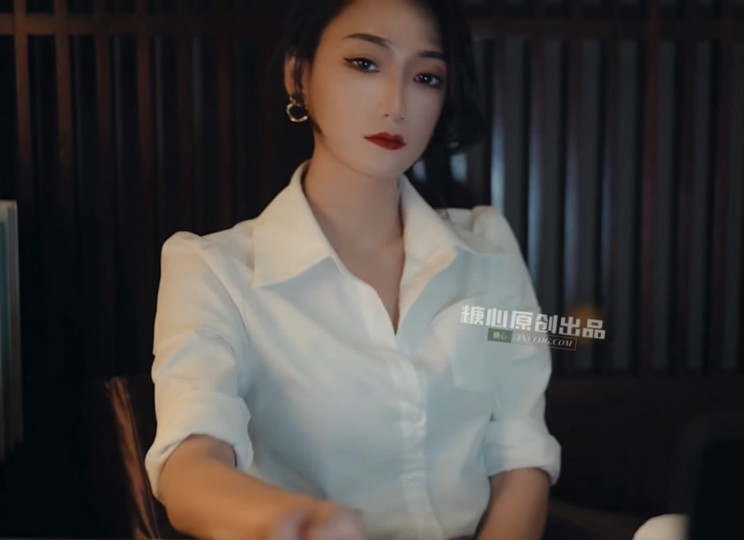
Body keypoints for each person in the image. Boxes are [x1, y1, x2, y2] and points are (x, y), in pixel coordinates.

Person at [144, 1, 561, 539]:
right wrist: (298, 522)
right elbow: (190, 464)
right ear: (298, 75)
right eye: (365, 63)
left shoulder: (489, 251)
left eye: (427, 77)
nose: (396, 105)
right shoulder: (213, 270)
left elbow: (521, 454)